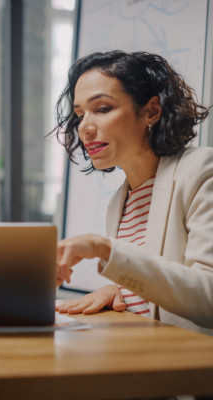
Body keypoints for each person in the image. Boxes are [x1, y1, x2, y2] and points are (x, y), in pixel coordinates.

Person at [52, 50, 213, 335]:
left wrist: (105, 250)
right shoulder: (119, 201)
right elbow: (157, 283)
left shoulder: (202, 170)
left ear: (151, 111)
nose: (85, 128)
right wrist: (120, 291)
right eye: (79, 115)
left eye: (102, 109)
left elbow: (208, 297)